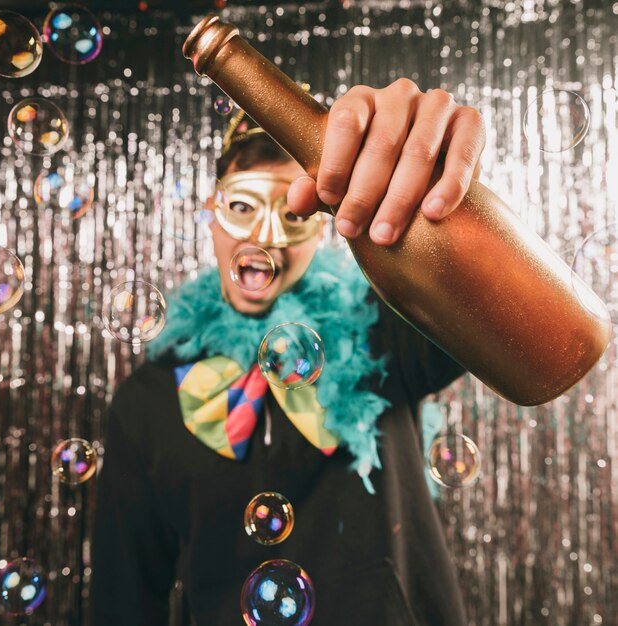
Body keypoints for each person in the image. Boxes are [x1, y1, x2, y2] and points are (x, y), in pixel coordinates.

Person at [91, 79, 485, 625]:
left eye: (294, 213)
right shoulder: (147, 402)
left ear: (325, 226)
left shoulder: (384, 333)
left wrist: (443, 191)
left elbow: (493, 305)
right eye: (244, 205)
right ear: (211, 211)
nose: (267, 235)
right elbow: (125, 602)